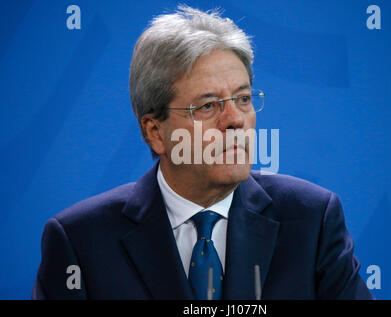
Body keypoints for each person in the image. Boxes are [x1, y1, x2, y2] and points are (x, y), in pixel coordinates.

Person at [32, 5, 373, 300]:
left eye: (243, 99)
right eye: (208, 106)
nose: (235, 121)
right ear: (155, 132)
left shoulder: (312, 220)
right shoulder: (80, 240)